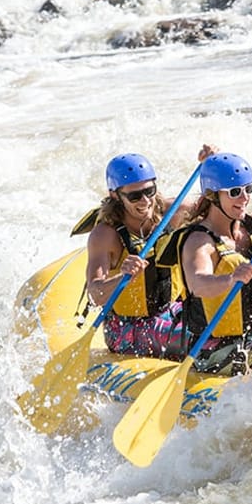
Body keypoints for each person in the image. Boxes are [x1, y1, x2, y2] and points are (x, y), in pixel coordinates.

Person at [83, 149, 212, 358]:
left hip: (176, 311)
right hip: (128, 327)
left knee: (225, 329)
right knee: (206, 339)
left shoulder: (174, 213)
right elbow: (94, 294)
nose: (145, 201)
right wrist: (122, 277)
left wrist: (210, 166)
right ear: (115, 195)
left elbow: (217, 208)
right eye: (134, 196)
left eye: (149, 191)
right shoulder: (105, 235)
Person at [161, 153, 252, 375]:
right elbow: (198, 283)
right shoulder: (200, 241)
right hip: (212, 347)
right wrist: (231, 279)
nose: (244, 198)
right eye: (234, 192)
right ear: (212, 196)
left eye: (248, 189)